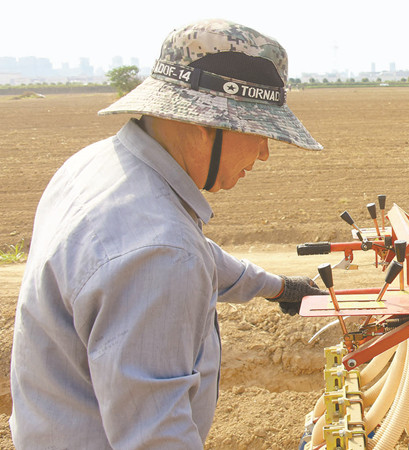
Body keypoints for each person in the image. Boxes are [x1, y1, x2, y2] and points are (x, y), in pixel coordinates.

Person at [10, 19, 328, 447]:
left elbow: (195, 251)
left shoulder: (98, 167)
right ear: (203, 125)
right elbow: (156, 436)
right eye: (260, 133)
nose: (265, 153)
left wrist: (278, 288)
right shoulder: (159, 251)